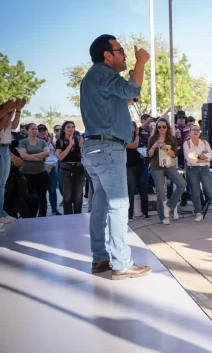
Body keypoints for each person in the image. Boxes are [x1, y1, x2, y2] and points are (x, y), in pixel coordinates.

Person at [79, 34, 151, 279]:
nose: (125, 55)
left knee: (101, 204)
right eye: (120, 51)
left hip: (95, 148)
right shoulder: (103, 73)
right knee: (119, 203)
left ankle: (100, 259)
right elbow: (132, 88)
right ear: (107, 55)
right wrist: (141, 62)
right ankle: (122, 263)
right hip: (108, 148)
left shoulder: (93, 77)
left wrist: (129, 96)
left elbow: (124, 96)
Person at [148, 118, 187, 224]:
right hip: (156, 167)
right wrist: (154, 146)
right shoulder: (153, 138)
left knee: (182, 183)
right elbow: (149, 155)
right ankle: (163, 217)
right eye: (159, 127)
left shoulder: (172, 138)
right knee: (161, 192)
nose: (161, 129)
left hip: (168, 165)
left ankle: (169, 206)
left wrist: (165, 148)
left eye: (164, 127)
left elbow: (174, 154)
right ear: (156, 128)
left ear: (167, 127)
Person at [184, 125, 212, 223]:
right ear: (190, 132)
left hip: (204, 169)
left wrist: (197, 157)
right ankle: (198, 213)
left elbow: (210, 155)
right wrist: (202, 158)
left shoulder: (204, 143)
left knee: (210, 191)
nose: (195, 131)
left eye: (197, 130)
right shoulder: (187, 144)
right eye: (193, 130)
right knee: (195, 192)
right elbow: (189, 158)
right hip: (192, 170)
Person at [0, 99, 24, 225]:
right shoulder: (3, 115)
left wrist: (18, 111)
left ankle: (2, 213)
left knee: (2, 184)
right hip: (0, 148)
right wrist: (9, 111)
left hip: (6, 148)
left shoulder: (6, 117)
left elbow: (13, 126)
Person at [18, 123, 50, 217]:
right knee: (31, 195)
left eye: (36, 129)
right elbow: (23, 155)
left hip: (41, 173)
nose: (35, 130)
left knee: (42, 195)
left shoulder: (42, 142)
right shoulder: (23, 142)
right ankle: (31, 214)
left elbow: (47, 153)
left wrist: (30, 156)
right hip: (27, 174)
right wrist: (39, 158)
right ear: (27, 130)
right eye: (32, 129)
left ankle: (43, 214)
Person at [56, 121, 85, 215]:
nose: (71, 129)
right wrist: (70, 145)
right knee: (67, 197)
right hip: (66, 170)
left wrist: (81, 146)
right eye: (68, 127)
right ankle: (68, 218)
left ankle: (78, 218)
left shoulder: (78, 139)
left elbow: (83, 155)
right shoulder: (59, 141)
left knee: (78, 197)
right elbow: (60, 157)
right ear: (64, 129)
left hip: (79, 168)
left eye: (73, 127)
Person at [126, 121, 149, 220]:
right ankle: (129, 214)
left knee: (144, 191)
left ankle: (146, 213)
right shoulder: (125, 138)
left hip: (142, 166)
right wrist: (137, 135)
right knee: (131, 191)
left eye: (133, 126)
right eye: (130, 126)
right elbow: (134, 145)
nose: (132, 128)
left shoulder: (141, 138)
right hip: (130, 167)